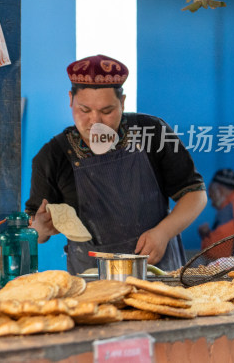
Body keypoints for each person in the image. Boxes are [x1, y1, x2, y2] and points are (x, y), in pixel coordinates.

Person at [26, 55, 207, 274]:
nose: (95, 121)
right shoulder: (52, 156)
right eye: (84, 110)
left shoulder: (153, 132)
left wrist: (163, 233)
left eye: (107, 111)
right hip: (92, 282)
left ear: (122, 102)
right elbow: (35, 231)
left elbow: (195, 194)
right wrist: (41, 229)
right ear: (70, 99)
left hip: (159, 274)